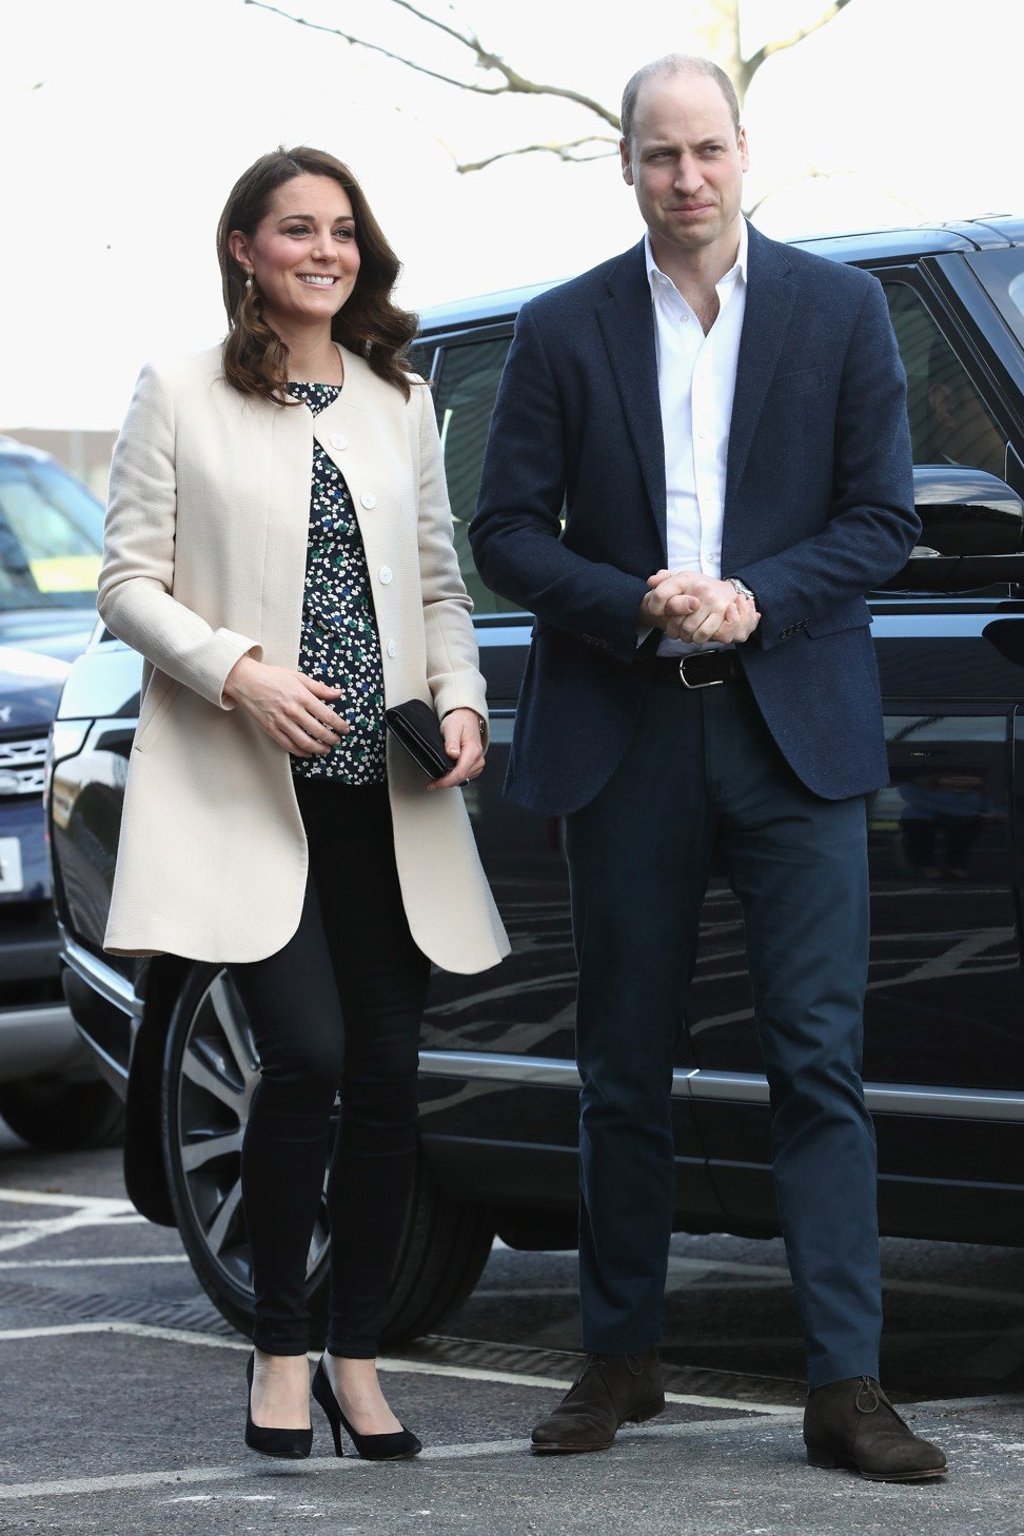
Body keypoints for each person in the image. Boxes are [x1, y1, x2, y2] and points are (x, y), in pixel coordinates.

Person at [470, 57, 947, 1481]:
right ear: (627, 165)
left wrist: (757, 598)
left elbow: (881, 520)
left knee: (819, 1062)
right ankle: (619, 1359)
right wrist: (634, 599)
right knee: (621, 1064)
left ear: (747, 153)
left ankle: (846, 1388)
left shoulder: (841, 310)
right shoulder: (562, 329)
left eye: (706, 152)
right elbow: (505, 529)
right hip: (624, 730)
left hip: (788, 729)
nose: (687, 179)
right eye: (659, 156)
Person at [99, 146, 509, 1461]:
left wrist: (461, 703)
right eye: (294, 231)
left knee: (389, 1078)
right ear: (244, 250)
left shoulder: (399, 399)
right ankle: (282, 1349)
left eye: (341, 231)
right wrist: (237, 673)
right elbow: (126, 584)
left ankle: (359, 1355)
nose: (323, 251)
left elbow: (440, 590)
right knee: (310, 1059)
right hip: (245, 787)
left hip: (384, 793)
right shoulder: (180, 391)